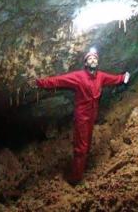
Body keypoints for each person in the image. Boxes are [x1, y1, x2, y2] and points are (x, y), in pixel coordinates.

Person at [34, 48, 130, 185]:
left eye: (95, 59)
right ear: (86, 63)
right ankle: (75, 178)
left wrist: (123, 78)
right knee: (81, 147)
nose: (93, 60)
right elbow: (59, 81)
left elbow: (113, 79)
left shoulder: (101, 76)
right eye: (90, 59)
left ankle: (81, 168)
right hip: (82, 117)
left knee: (87, 144)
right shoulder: (79, 76)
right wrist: (40, 83)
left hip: (92, 115)